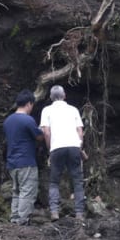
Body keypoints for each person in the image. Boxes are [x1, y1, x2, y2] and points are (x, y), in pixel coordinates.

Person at [39, 85, 85, 221]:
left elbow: (46, 132)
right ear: (64, 96)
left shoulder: (46, 110)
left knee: (54, 182)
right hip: (74, 146)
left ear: (51, 98)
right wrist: (79, 146)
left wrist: (50, 148)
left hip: (56, 148)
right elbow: (80, 132)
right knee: (77, 181)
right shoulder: (73, 110)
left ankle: (54, 212)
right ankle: (79, 213)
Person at [2, 89, 44, 225]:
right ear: (29, 104)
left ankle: (14, 219)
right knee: (27, 191)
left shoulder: (8, 121)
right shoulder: (27, 120)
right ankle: (22, 221)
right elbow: (39, 137)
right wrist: (44, 129)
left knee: (16, 191)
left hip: (12, 162)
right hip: (26, 161)